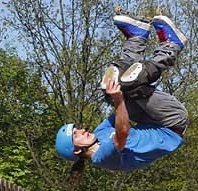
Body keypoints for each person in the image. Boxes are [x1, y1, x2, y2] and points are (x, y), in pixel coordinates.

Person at [56, 13, 190, 176]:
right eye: (76, 135)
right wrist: (119, 99)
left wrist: (114, 95)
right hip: (173, 123)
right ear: (77, 150)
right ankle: (172, 46)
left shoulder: (100, 132)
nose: (82, 130)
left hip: (152, 119)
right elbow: (123, 132)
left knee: (111, 89)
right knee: (132, 86)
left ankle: (137, 36)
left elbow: (122, 113)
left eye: (77, 129)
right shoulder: (103, 158)